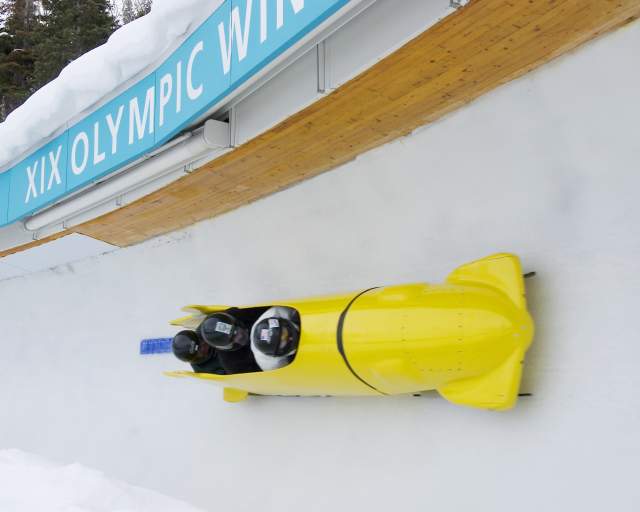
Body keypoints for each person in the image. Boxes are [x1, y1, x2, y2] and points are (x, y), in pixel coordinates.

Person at [197, 311, 261, 374]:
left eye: (236, 329)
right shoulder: (232, 365)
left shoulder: (238, 313)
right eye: (232, 338)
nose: (240, 336)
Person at [250, 306, 300, 371]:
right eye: (283, 342)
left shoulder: (278, 312)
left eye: (285, 333)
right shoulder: (272, 366)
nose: (291, 338)